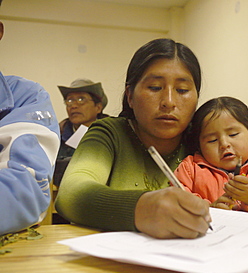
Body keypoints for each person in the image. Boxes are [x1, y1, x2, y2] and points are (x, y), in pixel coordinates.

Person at [55, 38, 211, 239]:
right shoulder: (110, 134)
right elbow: (71, 193)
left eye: (182, 90)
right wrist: (142, 208)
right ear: (130, 95)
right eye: (155, 87)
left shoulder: (205, 141)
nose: (169, 102)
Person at [0, 12, 60, 234]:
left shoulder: (25, 97)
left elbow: (27, 186)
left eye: (81, 99)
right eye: (71, 99)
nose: (73, 105)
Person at [56, 78, 109, 160]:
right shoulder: (57, 136)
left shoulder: (112, 134)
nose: (74, 106)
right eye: (69, 101)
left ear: (98, 107)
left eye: (81, 99)